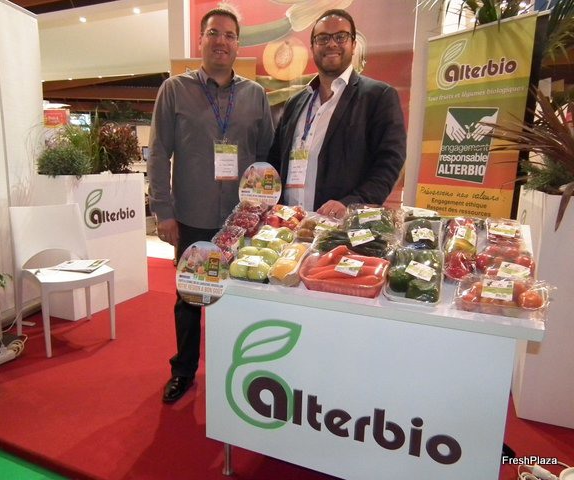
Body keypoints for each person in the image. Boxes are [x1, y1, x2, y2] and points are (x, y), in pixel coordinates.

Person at [147, 8, 274, 404]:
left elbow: (267, 156)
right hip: (194, 217)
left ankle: (238, 370)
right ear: (200, 40)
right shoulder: (174, 90)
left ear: (238, 43)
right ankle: (183, 371)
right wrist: (164, 212)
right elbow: (158, 154)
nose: (222, 41)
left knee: (243, 294)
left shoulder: (255, 95)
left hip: (244, 220)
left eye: (230, 35)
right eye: (214, 33)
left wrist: (267, 211)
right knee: (190, 297)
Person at [267, 9, 406, 220]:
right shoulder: (295, 104)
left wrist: (351, 203)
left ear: (353, 44)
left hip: (340, 227)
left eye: (340, 37)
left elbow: (390, 162)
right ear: (313, 46)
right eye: (323, 38)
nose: (331, 44)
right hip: (289, 224)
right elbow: (276, 160)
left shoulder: (378, 96)